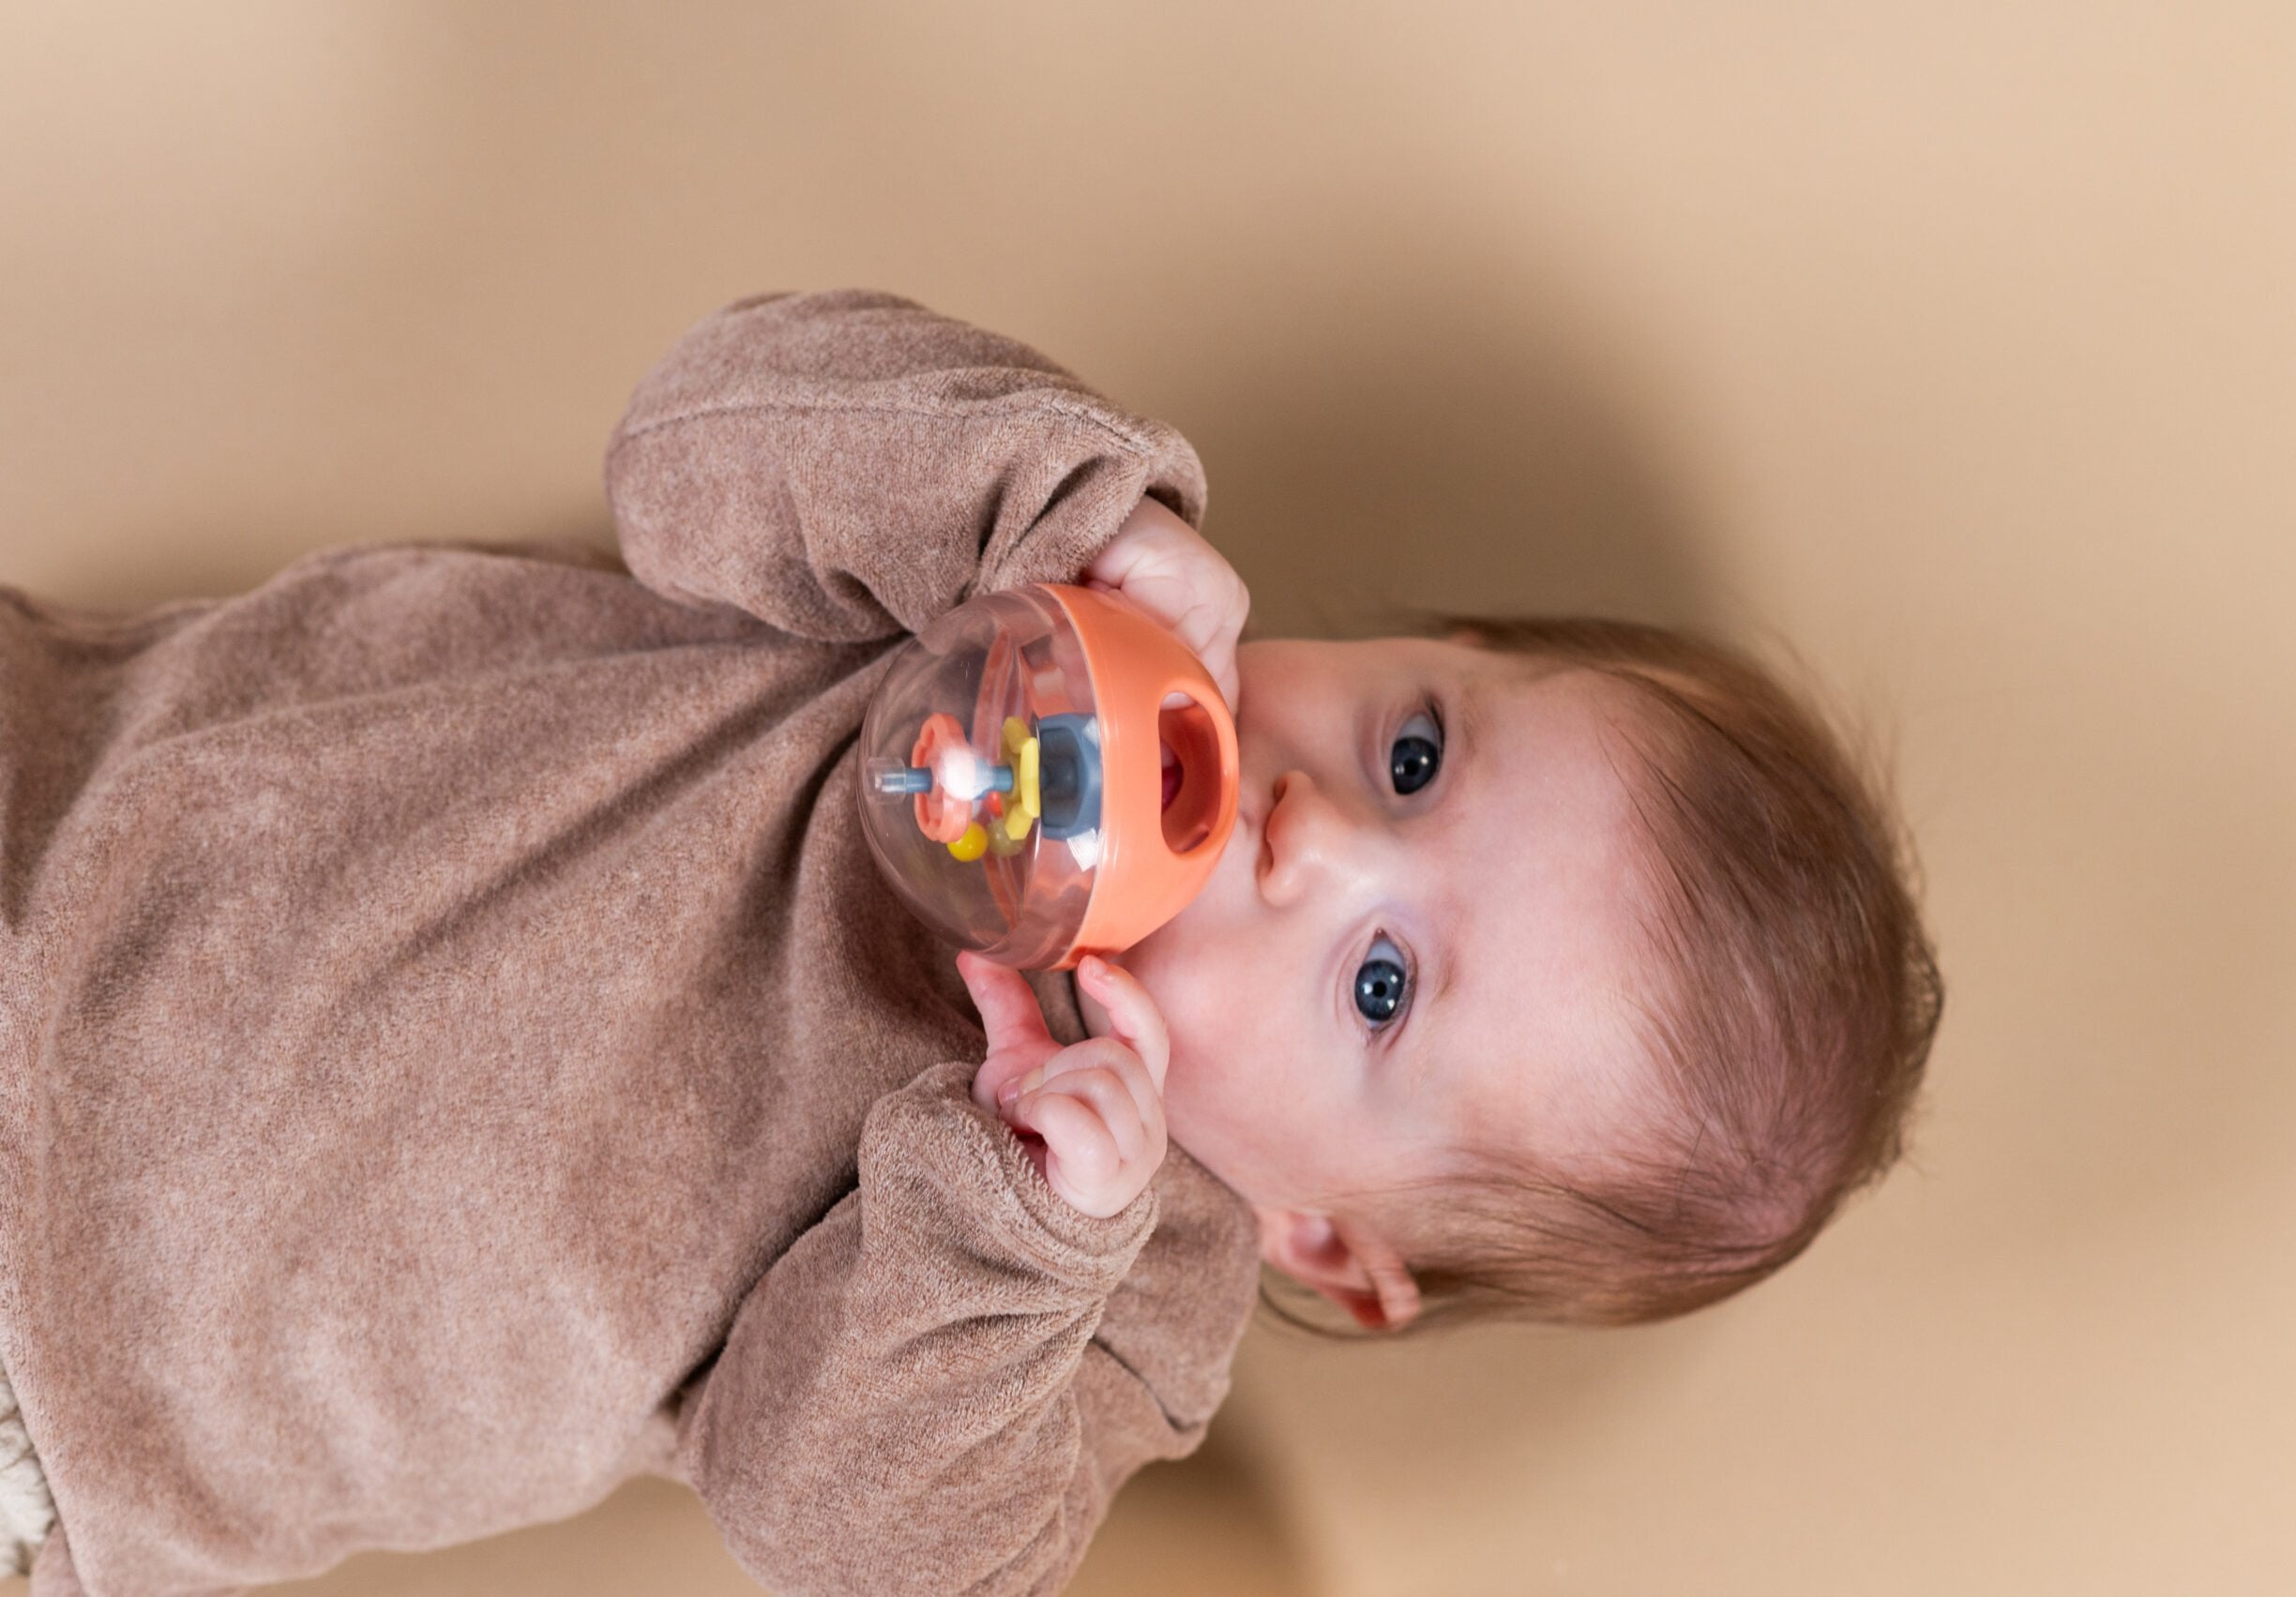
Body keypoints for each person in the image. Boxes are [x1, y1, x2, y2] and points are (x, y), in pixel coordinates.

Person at [0, 289, 1941, 1596]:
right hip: (69, 809)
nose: (1307, 830)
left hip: (83, 1386)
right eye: (1411, 751)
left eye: (1378, 988)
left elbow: (836, 1527)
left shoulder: (1111, 1321)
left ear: (1332, 1247)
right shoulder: (1019, 604)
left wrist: (1013, 1226)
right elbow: (686, 439)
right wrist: (1056, 507)